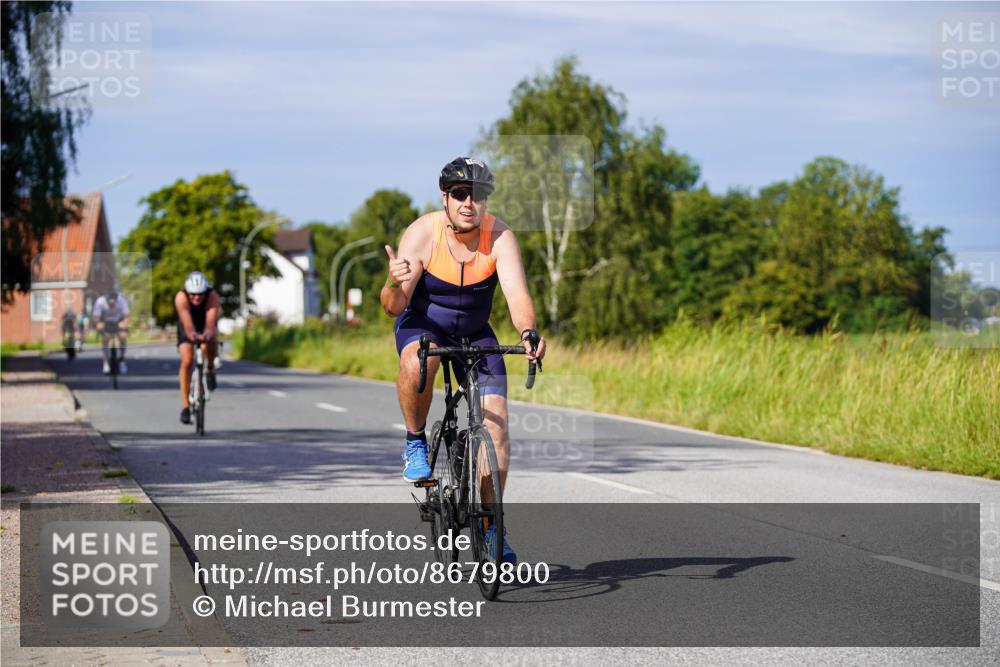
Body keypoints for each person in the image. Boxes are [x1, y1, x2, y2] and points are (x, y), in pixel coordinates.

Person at [380, 156, 547, 564]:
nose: (468, 202)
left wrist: (528, 332)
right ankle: (415, 440)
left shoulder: (500, 237)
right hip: (424, 325)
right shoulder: (423, 233)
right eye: (459, 194)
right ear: (446, 197)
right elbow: (392, 306)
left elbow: (517, 295)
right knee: (420, 363)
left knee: (498, 426)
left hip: (475, 331)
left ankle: (491, 528)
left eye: (478, 195)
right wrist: (392, 280)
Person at [174, 271, 220, 424]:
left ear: (205, 291)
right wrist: (193, 335)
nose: (197, 297)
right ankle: (185, 406)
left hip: (205, 322)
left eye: (200, 294)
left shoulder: (212, 297)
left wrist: (206, 335)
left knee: (211, 342)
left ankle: (210, 369)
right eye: (193, 294)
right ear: (187, 292)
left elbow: (211, 323)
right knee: (187, 359)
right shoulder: (181, 298)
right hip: (187, 324)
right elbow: (187, 325)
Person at [92, 288, 130, 374]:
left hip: (118, 321)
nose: (111, 305)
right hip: (105, 322)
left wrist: (124, 323)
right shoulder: (100, 302)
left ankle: (121, 360)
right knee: (106, 338)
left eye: (113, 303)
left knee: (123, 336)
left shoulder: (122, 301)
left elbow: (127, 316)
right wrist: (98, 324)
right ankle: (106, 362)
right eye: (109, 303)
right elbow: (96, 317)